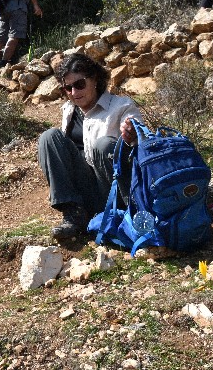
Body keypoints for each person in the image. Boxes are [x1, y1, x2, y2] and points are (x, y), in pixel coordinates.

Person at [38, 54, 141, 239]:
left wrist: (132, 134)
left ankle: (125, 213)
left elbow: (140, 139)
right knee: (49, 137)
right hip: (86, 189)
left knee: (103, 145)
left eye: (79, 84)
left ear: (94, 79)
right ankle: (74, 214)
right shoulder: (69, 110)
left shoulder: (122, 107)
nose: (74, 92)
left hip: (115, 188)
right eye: (67, 88)